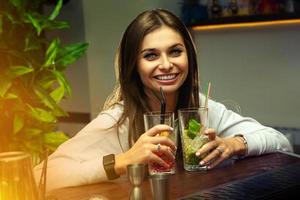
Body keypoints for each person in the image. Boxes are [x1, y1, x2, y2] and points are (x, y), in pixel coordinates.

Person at [34, 8, 292, 191]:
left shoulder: (202, 108)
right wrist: (122, 161)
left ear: (188, 56)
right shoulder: (117, 119)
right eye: (151, 55)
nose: (167, 64)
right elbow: (40, 178)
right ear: (133, 65)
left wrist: (234, 144)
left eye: (175, 51)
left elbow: (281, 142)